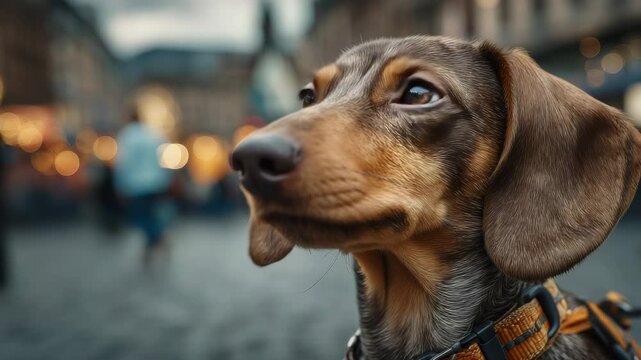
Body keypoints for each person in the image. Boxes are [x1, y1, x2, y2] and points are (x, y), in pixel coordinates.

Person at [114, 109, 173, 265]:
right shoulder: (153, 134)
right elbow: (164, 157)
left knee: (140, 216)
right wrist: (166, 178)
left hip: (136, 184)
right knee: (151, 214)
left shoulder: (126, 136)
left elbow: (123, 163)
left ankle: (157, 236)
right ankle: (153, 242)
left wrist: (120, 184)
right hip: (156, 182)